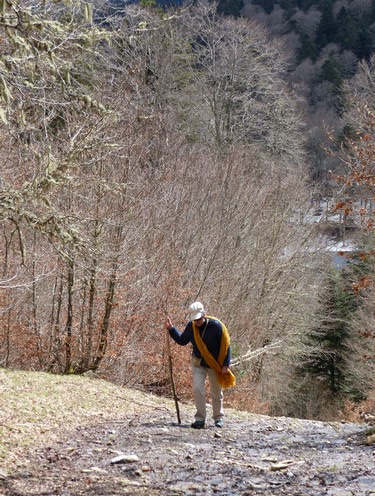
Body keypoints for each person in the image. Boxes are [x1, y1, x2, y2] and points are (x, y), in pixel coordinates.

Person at [165, 301, 235, 429]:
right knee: (198, 389)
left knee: (216, 392)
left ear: (204, 314)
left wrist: (226, 365)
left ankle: (218, 418)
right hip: (198, 363)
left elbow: (226, 346)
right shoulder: (191, 327)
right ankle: (200, 419)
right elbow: (182, 341)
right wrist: (171, 329)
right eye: (195, 319)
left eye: (199, 318)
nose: (197, 321)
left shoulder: (217, 326)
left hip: (215, 365)